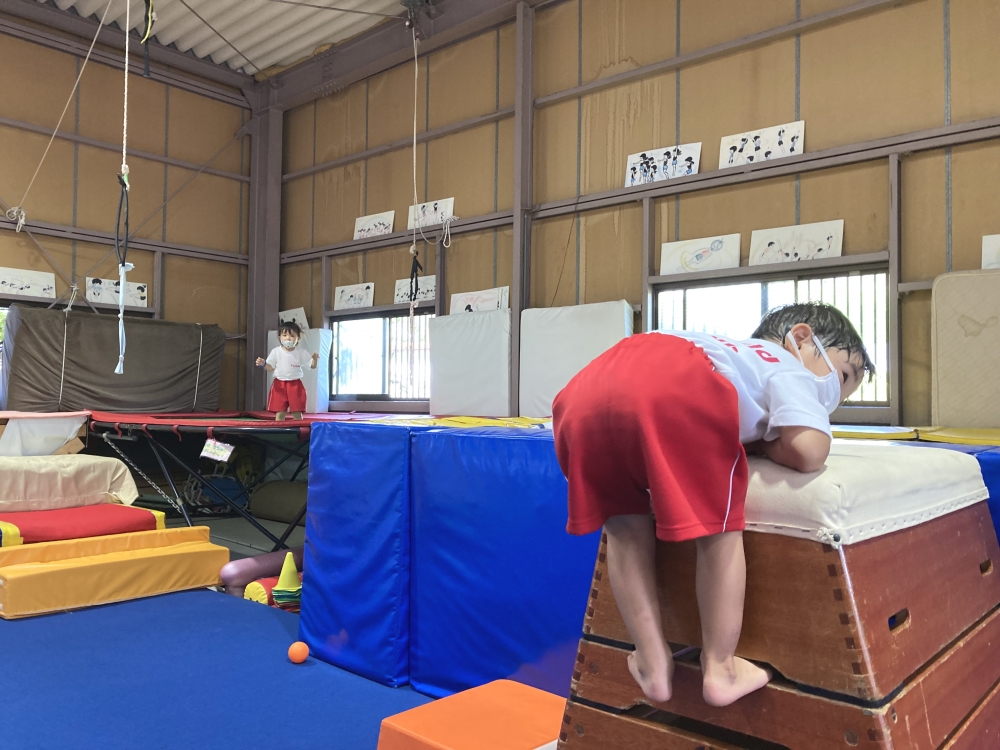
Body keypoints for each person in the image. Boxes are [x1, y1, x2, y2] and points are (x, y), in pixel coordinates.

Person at [552, 302, 874, 707]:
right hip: (675, 382)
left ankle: (651, 660)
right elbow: (808, 450)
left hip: (586, 391)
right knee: (717, 526)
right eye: (842, 377)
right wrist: (769, 447)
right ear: (801, 337)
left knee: (623, 528)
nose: (832, 400)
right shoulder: (784, 363)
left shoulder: (727, 352)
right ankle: (721, 668)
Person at [256, 321, 318, 421]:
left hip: (295, 385)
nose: (288, 338)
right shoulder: (276, 351)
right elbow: (270, 367)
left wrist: (314, 360)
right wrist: (263, 364)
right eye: (284, 335)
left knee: (297, 412)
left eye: (292, 336)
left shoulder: (301, 352)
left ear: (298, 338)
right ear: (279, 337)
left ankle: (299, 429)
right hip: (279, 384)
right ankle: (278, 429)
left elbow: (312, 365)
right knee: (280, 413)